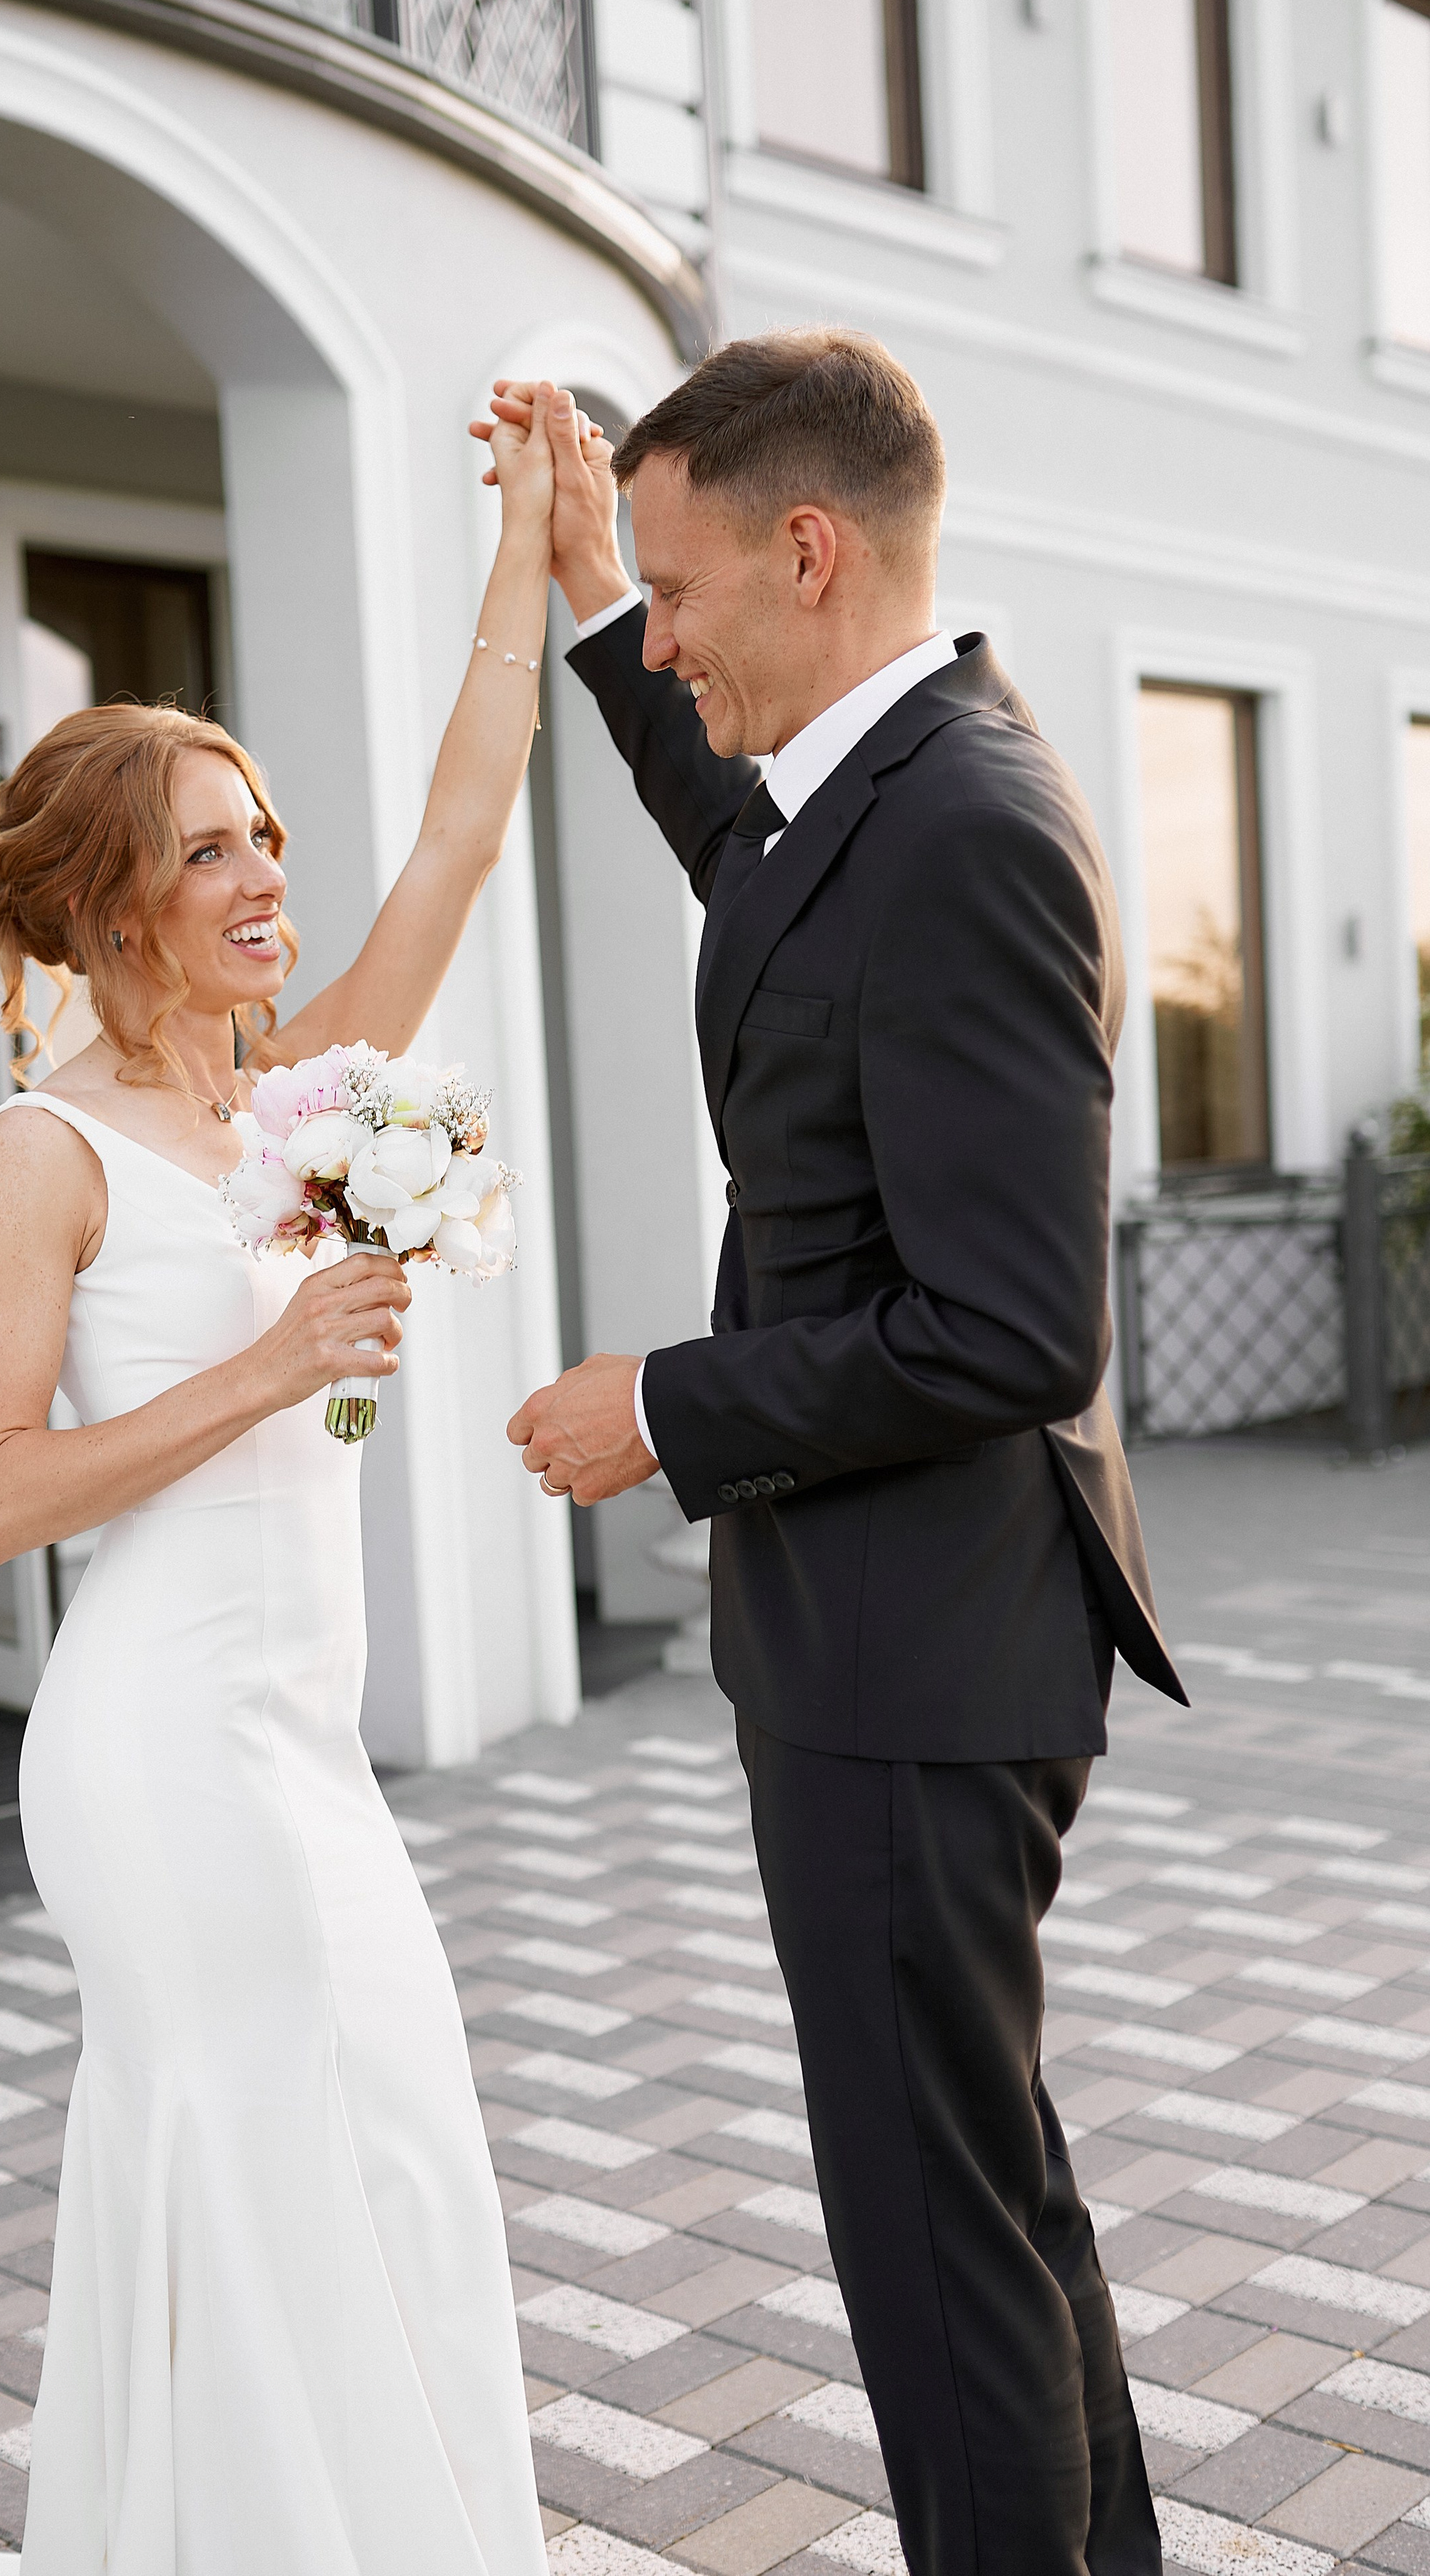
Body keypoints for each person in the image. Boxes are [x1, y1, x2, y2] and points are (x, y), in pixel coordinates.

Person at [501, 333, 1187, 2576]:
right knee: (987, 2189)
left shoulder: (970, 828)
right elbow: (750, 871)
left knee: (931, 2247)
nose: (671, 635)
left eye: (689, 590)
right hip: (891, 1637)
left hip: (919, 1654)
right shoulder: (869, 800)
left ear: (812, 551)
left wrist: (664, 1408)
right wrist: (602, 601)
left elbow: (1008, 1327)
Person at [0, 390, 567, 2574]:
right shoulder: (47, 1154)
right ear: (110, 901)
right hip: (157, 1742)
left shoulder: (303, 1100)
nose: (265, 876)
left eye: (264, 833)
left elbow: (460, 844)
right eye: (209, 848)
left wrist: (525, 545)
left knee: (388, 2126)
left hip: (304, 1739)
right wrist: (277, 1360)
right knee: (266, 2147)